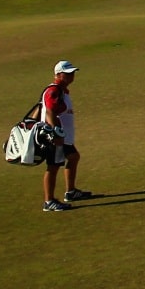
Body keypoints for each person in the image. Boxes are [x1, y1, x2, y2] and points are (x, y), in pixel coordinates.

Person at [39, 60, 90, 212]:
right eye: (68, 73)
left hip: (63, 137)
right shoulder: (54, 91)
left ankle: (71, 191)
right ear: (58, 75)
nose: (72, 76)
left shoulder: (62, 91)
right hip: (55, 137)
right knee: (53, 166)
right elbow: (49, 112)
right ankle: (49, 201)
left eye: (72, 73)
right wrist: (56, 132)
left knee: (73, 157)